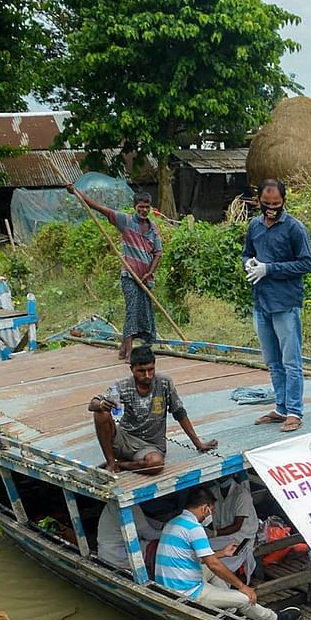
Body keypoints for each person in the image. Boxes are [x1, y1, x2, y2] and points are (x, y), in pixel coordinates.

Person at [154, 489, 301, 620]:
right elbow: (213, 565)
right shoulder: (195, 528)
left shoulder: (174, 522)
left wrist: (222, 553)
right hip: (187, 591)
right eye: (211, 510)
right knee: (245, 599)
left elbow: (196, 557)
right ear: (205, 508)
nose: (210, 514)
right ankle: (273, 619)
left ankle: (229, 607)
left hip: (170, 584)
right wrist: (243, 587)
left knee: (213, 568)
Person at [245, 179, 311, 432]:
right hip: (261, 301)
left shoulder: (294, 228)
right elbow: (247, 252)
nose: (271, 208)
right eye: (267, 204)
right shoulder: (254, 226)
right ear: (259, 202)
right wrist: (250, 264)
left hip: (285, 302)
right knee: (273, 361)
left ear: (284, 201)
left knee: (291, 361)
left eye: (276, 204)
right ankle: (281, 406)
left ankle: (295, 411)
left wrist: (270, 269)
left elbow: (306, 264)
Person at [88, 348, 218, 475]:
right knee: (101, 413)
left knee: (156, 464)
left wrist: (198, 444)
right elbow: (92, 404)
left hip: (150, 446)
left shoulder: (164, 383)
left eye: (151, 370)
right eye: (141, 371)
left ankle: (121, 465)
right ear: (132, 369)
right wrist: (101, 404)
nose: (147, 375)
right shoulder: (123, 386)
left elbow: (179, 412)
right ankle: (111, 462)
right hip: (124, 438)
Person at [71, 186, 161, 363]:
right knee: (131, 310)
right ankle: (128, 352)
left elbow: (158, 253)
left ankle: (134, 347)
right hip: (129, 275)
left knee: (145, 313)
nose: (143, 210)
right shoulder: (125, 221)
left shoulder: (153, 229)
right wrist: (75, 193)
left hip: (145, 279)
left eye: (147, 207)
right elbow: (99, 208)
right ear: (135, 206)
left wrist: (149, 272)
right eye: (140, 207)